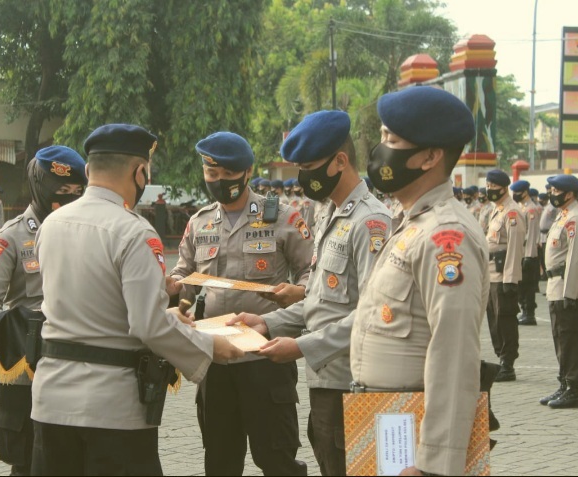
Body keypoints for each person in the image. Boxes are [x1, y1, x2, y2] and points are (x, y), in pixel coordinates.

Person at [30, 124, 244, 476]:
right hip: (112, 408)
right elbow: (147, 325)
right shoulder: (133, 231)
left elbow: (92, 307)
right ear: (140, 172)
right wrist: (209, 347)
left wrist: (169, 319)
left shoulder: (51, 224)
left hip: (51, 400)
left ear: (88, 170)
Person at [229, 110, 391, 476]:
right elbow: (318, 301)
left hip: (352, 385)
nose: (304, 178)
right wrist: (266, 323)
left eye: (310, 167)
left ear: (340, 161)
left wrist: (301, 347)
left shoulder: (370, 222)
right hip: (326, 382)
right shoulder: (329, 214)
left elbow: (372, 315)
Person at [347, 86, 489, 476]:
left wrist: (434, 465)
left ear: (429, 157)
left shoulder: (445, 236)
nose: (380, 150)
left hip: (413, 442)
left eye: (392, 140)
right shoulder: (411, 223)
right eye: (382, 136)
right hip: (387, 422)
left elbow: (454, 354)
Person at [166, 131, 312, 476]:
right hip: (215, 357)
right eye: (212, 174)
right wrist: (176, 290)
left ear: (247, 172)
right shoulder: (199, 222)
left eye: (228, 174)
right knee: (220, 459)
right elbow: (185, 275)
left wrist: (296, 292)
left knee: (276, 458)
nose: (219, 181)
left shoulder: (283, 217)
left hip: (267, 355)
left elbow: (312, 272)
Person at [0, 146, 87, 476]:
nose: (69, 197)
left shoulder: (83, 233)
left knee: (70, 458)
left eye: (76, 191)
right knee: (24, 461)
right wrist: (15, 334)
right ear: (40, 186)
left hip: (72, 365)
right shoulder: (11, 236)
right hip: (26, 368)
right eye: (61, 189)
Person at [540, 174, 578, 409]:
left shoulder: (576, 218)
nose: (552, 194)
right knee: (561, 337)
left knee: (571, 339)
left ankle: (574, 390)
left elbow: (575, 258)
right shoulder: (564, 215)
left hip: (567, 287)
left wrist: (569, 293)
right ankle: (564, 383)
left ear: (569, 194)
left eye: (556, 191)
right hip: (556, 286)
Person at [485, 169, 526, 382]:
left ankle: (508, 363)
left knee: (505, 319)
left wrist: (510, 278)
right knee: (493, 319)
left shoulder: (512, 212)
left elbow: (515, 248)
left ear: (504, 188)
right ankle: (500, 358)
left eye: (493, 186)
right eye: (488, 186)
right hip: (491, 274)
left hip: (503, 275)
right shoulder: (497, 210)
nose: (489, 190)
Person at [510, 180, 541, 326]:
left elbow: (532, 234)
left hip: (529, 254)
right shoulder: (521, 207)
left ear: (525, 192)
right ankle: (524, 311)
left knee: (528, 286)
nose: (515, 195)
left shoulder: (531, 210)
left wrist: (529, 255)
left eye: (517, 192)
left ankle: (529, 314)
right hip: (521, 252)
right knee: (521, 285)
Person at [539, 184, 559, 280]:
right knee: (544, 257)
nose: (549, 194)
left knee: (549, 257)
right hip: (543, 235)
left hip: (549, 234)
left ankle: (549, 275)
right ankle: (546, 275)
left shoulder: (555, 207)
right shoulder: (548, 206)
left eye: (550, 192)